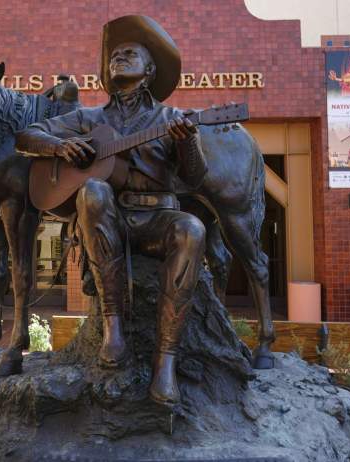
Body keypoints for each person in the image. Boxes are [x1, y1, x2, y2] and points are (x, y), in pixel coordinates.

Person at [16, 15, 208, 406]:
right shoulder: (91, 118)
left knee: (193, 229)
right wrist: (58, 148)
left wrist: (188, 143)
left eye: (130, 54)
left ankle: (165, 362)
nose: (118, 57)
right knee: (92, 190)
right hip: (111, 217)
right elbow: (24, 137)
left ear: (150, 70)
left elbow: (197, 177)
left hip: (158, 219)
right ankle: (112, 328)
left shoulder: (172, 119)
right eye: (115, 55)